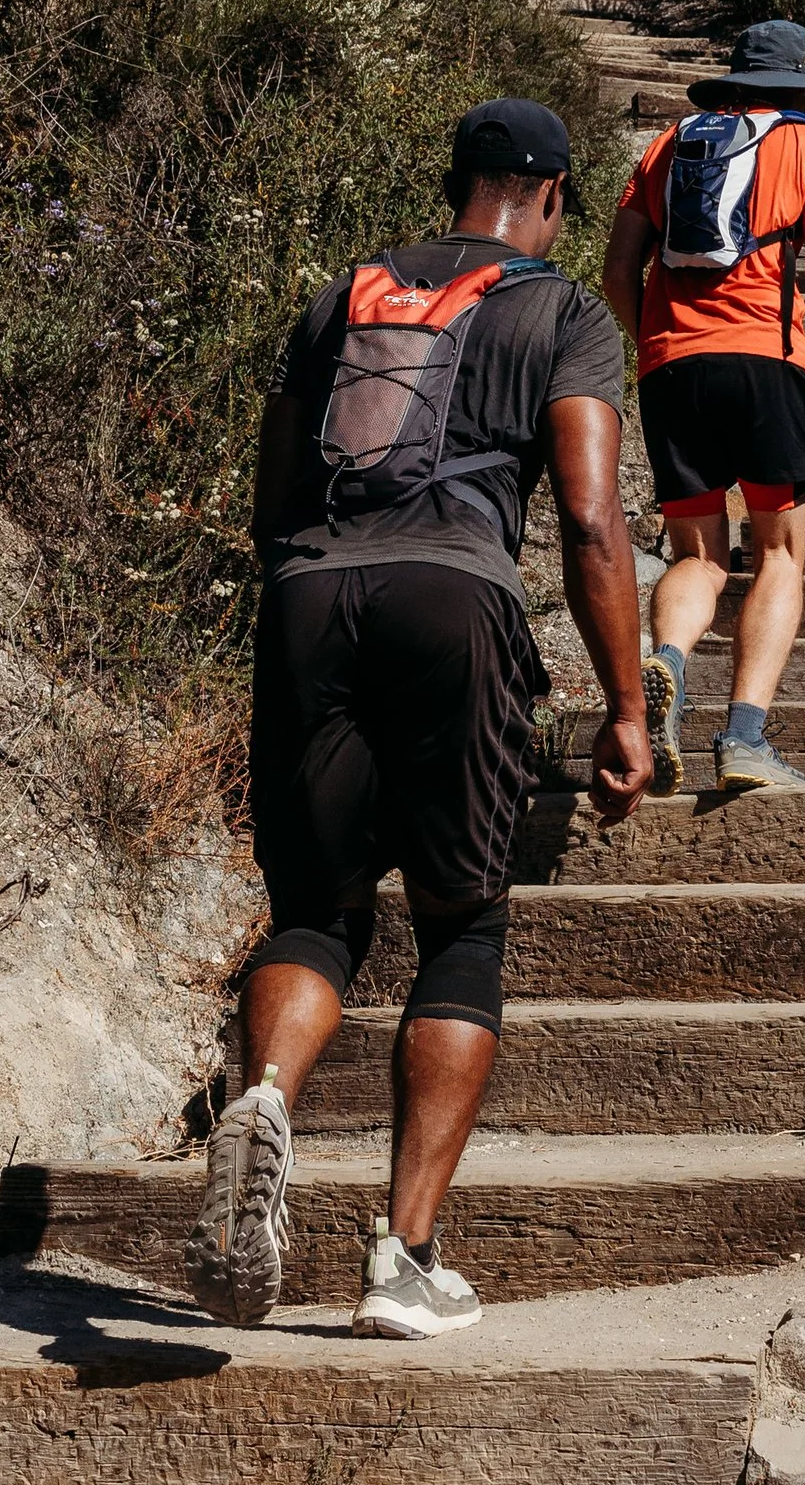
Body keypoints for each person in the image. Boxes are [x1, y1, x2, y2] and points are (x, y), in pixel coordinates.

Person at [188, 98, 652, 1344]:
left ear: (456, 183)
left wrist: (311, 597)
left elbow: (274, 489)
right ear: (554, 199)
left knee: (313, 912)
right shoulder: (562, 312)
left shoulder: (344, 295)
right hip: (456, 600)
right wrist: (626, 703)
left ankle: (269, 1096)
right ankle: (403, 1259)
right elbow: (594, 519)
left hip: (308, 597)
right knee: (460, 928)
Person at [602, 19, 805, 796]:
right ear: (804, 90)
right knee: (779, 554)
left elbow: (616, 267)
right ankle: (742, 739)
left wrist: (657, 345)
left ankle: (666, 663)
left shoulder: (671, 144)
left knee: (698, 555)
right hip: (766, 366)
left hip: (674, 370)